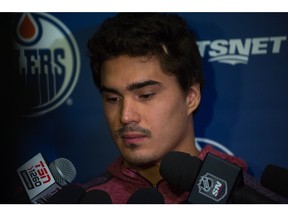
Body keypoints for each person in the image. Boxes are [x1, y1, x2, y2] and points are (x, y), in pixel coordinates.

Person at [82, 12, 286, 204]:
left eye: (146, 95)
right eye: (112, 99)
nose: (125, 116)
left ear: (191, 97)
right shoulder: (83, 202)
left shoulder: (252, 199)